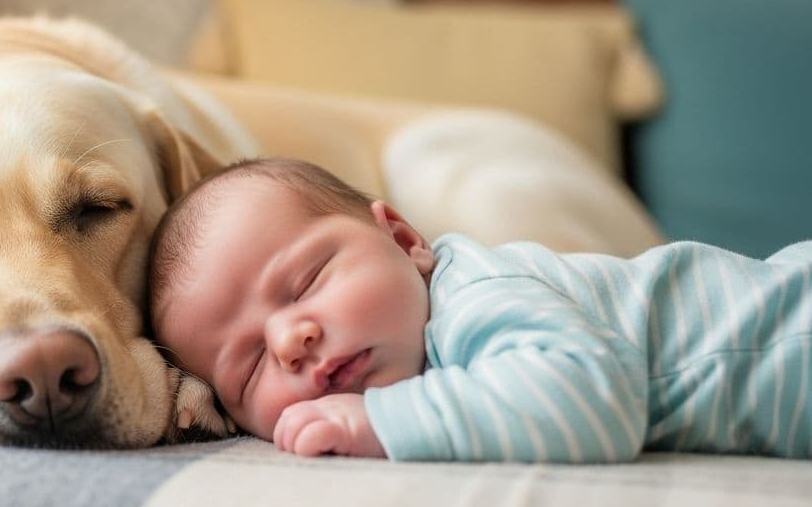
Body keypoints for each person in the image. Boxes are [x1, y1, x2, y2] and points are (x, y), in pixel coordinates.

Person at [147, 157, 812, 461]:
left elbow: (589, 404)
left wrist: (377, 421)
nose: (292, 340)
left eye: (307, 282)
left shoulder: (474, 295)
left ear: (406, 242)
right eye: (250, 366)